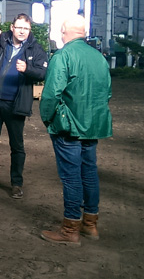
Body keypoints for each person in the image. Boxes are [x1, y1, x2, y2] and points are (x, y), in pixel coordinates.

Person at [39, 15, 113, 246]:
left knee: (71, 176)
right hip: (92, 125)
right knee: (89, 173)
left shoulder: (63, 55)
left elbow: (52, 94)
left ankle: (70, 229)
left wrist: (47, 118)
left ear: (64, 32)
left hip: (68, 127)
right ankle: (90, 225)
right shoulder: (98, 57)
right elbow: (107, 92)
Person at [0, 13, 48, 199]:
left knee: (17, 146)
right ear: (12, 27)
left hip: (16, 105)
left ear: (30, 30)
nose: (22, 31)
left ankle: (16, 184)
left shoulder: (35, 49)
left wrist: (27, 69)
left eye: (26, 29)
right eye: (19, 27)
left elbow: (43, 73)